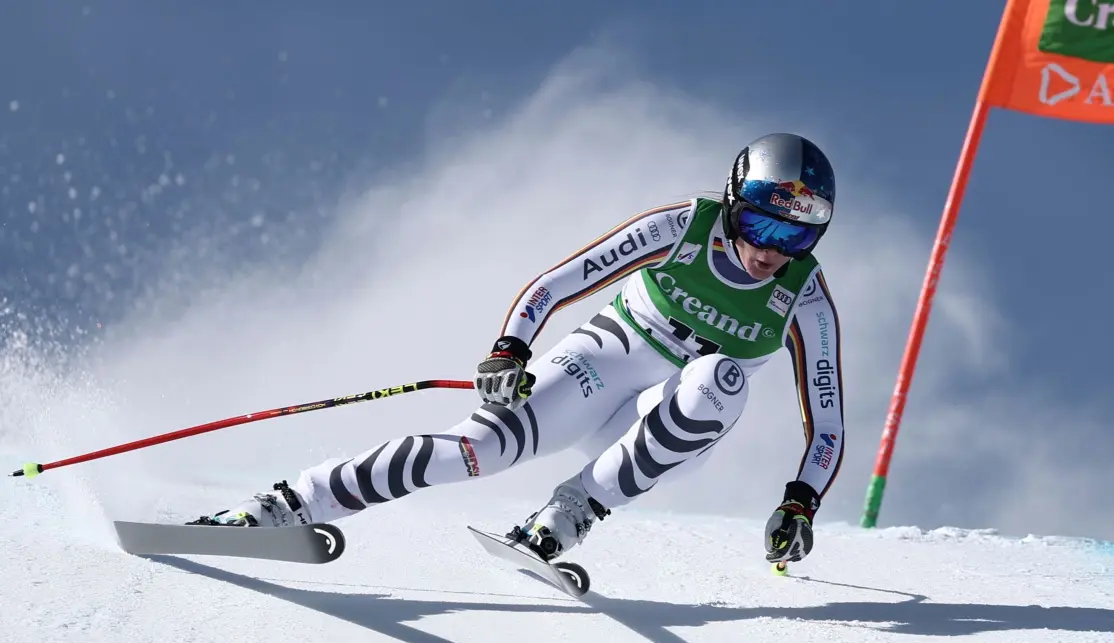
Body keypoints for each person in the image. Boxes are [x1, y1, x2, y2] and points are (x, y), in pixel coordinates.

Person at [189, 132, 845, 568]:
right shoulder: (682, 228)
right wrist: (511, 351)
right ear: (734, 204)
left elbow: (828, 423)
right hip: (606, 358)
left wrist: (799, 502)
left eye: (796, 237)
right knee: (479, 448)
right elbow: (556, 284)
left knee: (721, 378)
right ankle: (287, 503)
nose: (770, 251)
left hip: (670, 424)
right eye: (760, 223)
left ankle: (574, 508)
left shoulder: (805, 298)